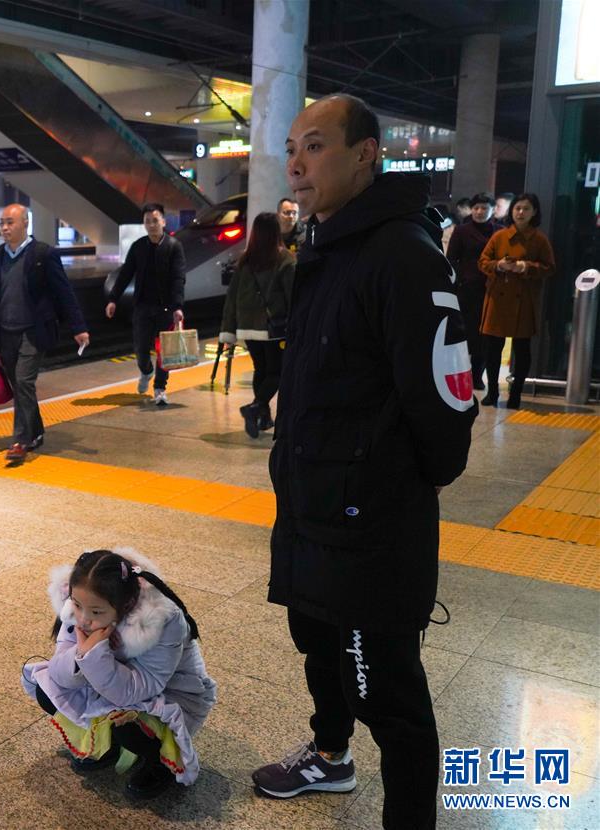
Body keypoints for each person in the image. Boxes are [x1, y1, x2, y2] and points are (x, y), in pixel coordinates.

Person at [253, 94, 476, 830]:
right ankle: (331, 756)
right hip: (315, 510)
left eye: (315, 146)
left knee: (391, 698)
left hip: (370, 527)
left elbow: (447, 404)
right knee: (317, 644)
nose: (296, 163)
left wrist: (387, 484)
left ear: (366, 154)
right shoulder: (326, 248)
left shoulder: (403, 254)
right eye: (292, 148)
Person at [21, 548, 217, 799]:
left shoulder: (159, 619)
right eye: (77, 605)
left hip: (169, 694)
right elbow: (60, 673)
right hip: (113, 684)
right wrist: (81, 655)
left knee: (124, 722)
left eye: (96, 612)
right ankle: (108, 747)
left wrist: (94, 656)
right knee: (47, 690)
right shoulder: (82, 602)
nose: (84, 619)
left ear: (125, 606)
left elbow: (143, 686)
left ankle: (159, 761)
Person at [0, 204, 89, 464]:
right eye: (2, 223)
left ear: (25, 223)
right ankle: (36, 431)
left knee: (23, 382)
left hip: (34, 331)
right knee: (20, 386)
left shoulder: (43, 254)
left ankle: (20, 441)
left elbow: (64, 293)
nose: (4, 228)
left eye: (10, 222)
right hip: (6, 332)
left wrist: (78, 327)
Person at [218, 212, 295, 438]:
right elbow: (293, 295)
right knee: (278, 372)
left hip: (247, 328)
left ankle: (263, 416)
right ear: (276, 232)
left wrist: (228, 330)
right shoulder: (285, 259)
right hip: (273, 328)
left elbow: (232, 297)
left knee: (261, 369)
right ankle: (256, 406)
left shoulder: (246, 259)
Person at [477, 192, 556, 409]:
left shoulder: (539, 239)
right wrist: (499, 265)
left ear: (534, 212)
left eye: (526, 208)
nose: (521, 212)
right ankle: (492, 391)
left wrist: (525, 267)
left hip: (525, 299)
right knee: (493, 348)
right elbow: (482, 262)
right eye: (517, 208)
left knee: (522, 349)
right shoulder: (499, 236)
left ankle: (516, 394)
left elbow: (550, 268)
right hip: (498, 297)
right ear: (512, 211)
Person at [105, 203, 186, 406]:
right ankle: (146, 371)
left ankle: (160, 389)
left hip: (165, 308)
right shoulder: (138, 247)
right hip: (142, 306)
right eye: (147, 221)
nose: (151, 225)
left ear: (163, 222)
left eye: (155, 220)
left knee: (163, 351)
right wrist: (113, 299)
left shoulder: (174, 246)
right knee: (141, 348)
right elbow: (125, 274)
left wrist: (177, 306)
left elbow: (178, 278)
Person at [446, 193, 501, 390]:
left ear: (493, 210)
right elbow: (451, 258)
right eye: (476, 207)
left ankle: (477, 376)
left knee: (485, 336)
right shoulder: (462, 231)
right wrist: (460, 279)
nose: (479, 212)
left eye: (484, 208)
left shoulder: (499, 232)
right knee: (466, 334)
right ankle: (462, 375)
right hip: (467, 290)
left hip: (492, 289)